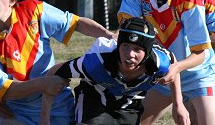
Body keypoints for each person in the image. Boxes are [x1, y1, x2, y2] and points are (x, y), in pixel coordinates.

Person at [0, 0, 117, 125]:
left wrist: (108, 35)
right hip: (17, 112)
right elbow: (5, 90)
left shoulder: (33, 10)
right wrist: (44, 83)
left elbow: (76, 23)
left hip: (57, 106)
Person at [117, 0, 215, 125]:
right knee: (130, 121)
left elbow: (201, 53)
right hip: (160, 71)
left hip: (197, 74)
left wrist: (176, 67)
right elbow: (126, 31)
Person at [39, 17, 190, 125]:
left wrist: (178, 104)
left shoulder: (160, 63)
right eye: (125, 46)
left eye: (137, 49)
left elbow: (173, 66)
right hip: (94, 100)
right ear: (118, 46)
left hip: (129, 105)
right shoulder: (96, 63)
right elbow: (54, 72)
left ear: (148, 52)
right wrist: (44, 118)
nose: (130, 54)